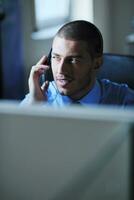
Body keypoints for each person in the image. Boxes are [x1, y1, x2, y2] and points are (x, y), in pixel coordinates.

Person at [21, 20, 134, 106]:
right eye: (56, 57)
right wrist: (35, 108)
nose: (61, 70)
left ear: (97, 63)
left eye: (73, 60)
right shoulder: (38, 98)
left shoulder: (124, 101)